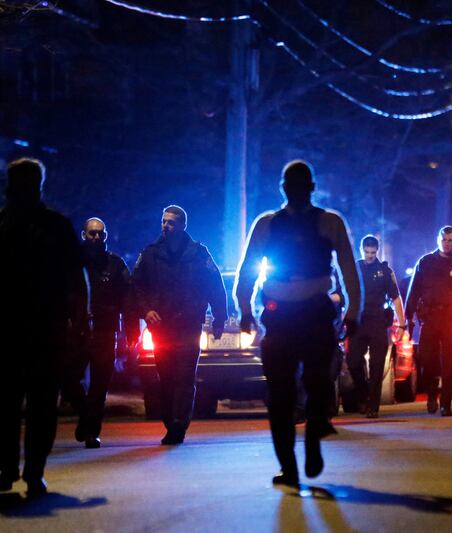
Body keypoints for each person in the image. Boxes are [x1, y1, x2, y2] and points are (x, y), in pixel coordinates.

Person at [234, 160, 361, 487]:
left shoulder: (329, 222)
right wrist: (244, 308)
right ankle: (288, 467)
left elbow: (349, 270)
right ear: (286, 189)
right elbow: (247, 269)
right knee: (280, 394)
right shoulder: (267, 225)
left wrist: (353, 311)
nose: (297, 191)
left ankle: (313, 439)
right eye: (294, 185)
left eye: (300, 185)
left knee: (319, 384)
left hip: (315, 312)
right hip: (281, 315)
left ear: (309, 189)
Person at [0, 158, 88, 496]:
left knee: (41, 402)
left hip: (47, 326)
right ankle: (8, 467)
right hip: (9, 325)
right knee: (8, 401)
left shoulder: (56, 225)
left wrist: (81, 316)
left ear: (37, 186)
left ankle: (34, 468)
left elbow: (76, 274)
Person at [132, 205, 227, 445]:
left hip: (188, 324)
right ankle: (170, 422)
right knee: (166, 377)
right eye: (164, 221)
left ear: (183, 225)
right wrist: (146, 310)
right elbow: (136, 287)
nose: (166, 226)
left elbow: (215, 285)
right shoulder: (151, 254)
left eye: (171, 222)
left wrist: (219, 317)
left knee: (184, 377)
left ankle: (178, 425)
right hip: (161, 326)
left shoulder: (199, 254)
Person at [62, 217, 137, 448]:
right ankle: (86, 416)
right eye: (92, 233)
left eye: (100, 234)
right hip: (77, 333)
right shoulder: (71, 264)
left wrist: (130, 330)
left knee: (99, 385)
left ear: (105, 236)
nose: (96, 237)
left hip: (106, 332)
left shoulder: (115, 265)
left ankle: (92, 431)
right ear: (84, 235)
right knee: (67, 379)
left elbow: (128, 299)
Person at [405, 226, 452, 417]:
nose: (447, 243)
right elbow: (414, 291)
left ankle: (445, 404)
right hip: (430, 317)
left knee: (451, 363)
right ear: (438, 240)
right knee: (427, 360)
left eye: (451, 240)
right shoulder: (426, 262)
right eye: (444, 240)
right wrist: (408, 316)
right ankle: (431, 392)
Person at [346, 235, 406, 418]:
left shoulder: (384, 271)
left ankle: (373, 406)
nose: (370, 255)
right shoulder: (353, 268)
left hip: (378, 322)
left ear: (377, 251)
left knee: (377, 365)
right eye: (367, 252)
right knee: (353, 361)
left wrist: (402, 324)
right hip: (358, 322)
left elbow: (396, 298)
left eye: (373, 252)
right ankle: (363, 394)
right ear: (362, 249)